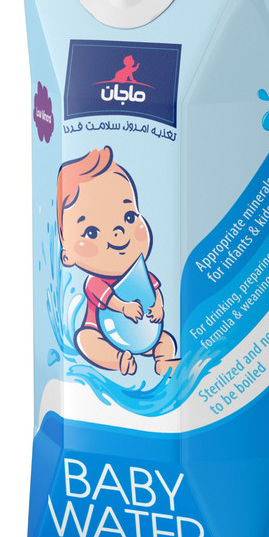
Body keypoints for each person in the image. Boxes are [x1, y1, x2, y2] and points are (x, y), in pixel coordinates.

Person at [57, 146, 179, 377]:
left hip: (143, 331)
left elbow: (154, 290)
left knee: (166, 340)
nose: (118, 232)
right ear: (67, 254)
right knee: (86, 340)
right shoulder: (94, 283)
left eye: (129, 217)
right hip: (102, 332)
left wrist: (158, 307)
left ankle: (164, 361)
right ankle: (117, 359)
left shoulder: (140, 273)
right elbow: (109, 300)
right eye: (91, 232)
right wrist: (124, 307)